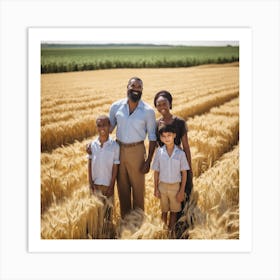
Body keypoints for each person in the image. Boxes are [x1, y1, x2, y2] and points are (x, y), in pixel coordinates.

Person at [109, 77, 157, 219]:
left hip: (137, 151)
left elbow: (153, 137)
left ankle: (139, 222)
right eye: (133, 85)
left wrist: (148, 161)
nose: (136, 89)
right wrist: (94, 145)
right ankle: (126, 222)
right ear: (127, 87)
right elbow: (108, 129)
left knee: (138, 189)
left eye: (139, 87)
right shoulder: (115, 107)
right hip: (118, 150)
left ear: (142, 90)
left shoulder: (148, 111)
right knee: (122, 189)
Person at [153, 90, 193, 219]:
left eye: (164, 103)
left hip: (177, 162)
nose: (162, 107)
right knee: (164, 203)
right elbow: (154, 145)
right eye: (158, 105)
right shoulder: (156, 124)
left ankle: (177, 227)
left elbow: (186, 147)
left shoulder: (180, 122)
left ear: (170, 104)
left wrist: (188, 168)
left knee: (179, 199)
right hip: (164, 162)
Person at [151, 123, 189, 233]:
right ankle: (163, 233)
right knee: (163, 211)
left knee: (174, 212)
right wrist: (155, 188)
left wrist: (181, 191)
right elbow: (156, 171)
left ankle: (170, 233)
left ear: (174, 135)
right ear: (161, 139)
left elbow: (184, 173)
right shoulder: (159, 152)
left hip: (175, 187)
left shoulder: (180, 154)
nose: (167, 138)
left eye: (169, 135)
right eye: (164, 136)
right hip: (162, 186)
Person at [87, 115, 120, 225]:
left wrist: (112, 186)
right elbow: (90, 163)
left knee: (107, 213)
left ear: (109, 126)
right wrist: (90, 183)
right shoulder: (92, 145)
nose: (102, 128)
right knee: (95, 213)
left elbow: (115, 167)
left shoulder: (114, 146)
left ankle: (107, 234)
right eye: (99, 125)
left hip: (107, 185)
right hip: (95, 184)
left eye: (104, 125)